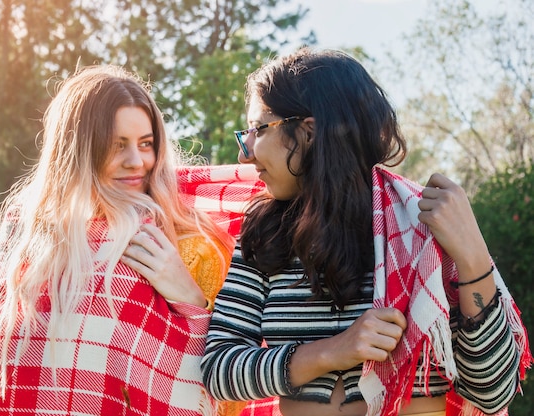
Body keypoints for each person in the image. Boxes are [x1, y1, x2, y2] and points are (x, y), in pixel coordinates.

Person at [201, 48, 532, 416]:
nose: (245, 153)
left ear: (308, 132)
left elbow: (494, 392)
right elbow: (219, 370)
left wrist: (472, 254)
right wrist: (335, 350)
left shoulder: (421, 227)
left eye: (258, 129)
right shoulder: (264, 235)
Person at [0, 65, 237, 415]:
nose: (137, 162)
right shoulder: (25, 237)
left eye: (146, 144)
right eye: (117, 145)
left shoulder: (192, 246)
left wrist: (189, 298)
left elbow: (227, 398)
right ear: (77, 150)